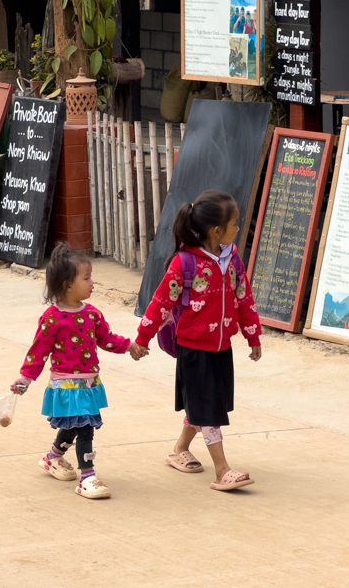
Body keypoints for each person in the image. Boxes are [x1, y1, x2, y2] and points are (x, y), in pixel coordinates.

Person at [130, 190, 262, 491]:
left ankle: (179, 449)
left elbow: (244, 299)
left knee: (205, 404)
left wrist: (252, 334)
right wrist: (142, 339)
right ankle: (222, 469)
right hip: (193, 350)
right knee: (209, 409)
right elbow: (161, 302)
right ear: (217, 231)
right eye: (235, 223)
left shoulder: (232, 260)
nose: (238, 228)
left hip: (221, 347)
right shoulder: (184, 263)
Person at [9, 243, 132, 500]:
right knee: (85, 427)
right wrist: (25, 379)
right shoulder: (51, 318)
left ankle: (52, 457)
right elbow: (38, 352)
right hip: (66, 386)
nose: (92, 283)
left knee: (75, 426)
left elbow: (106, 339)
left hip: (88, 385)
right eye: (86, 278)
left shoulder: (92, 314)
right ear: (67, 285)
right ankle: (87, 477)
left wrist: (129, 346)